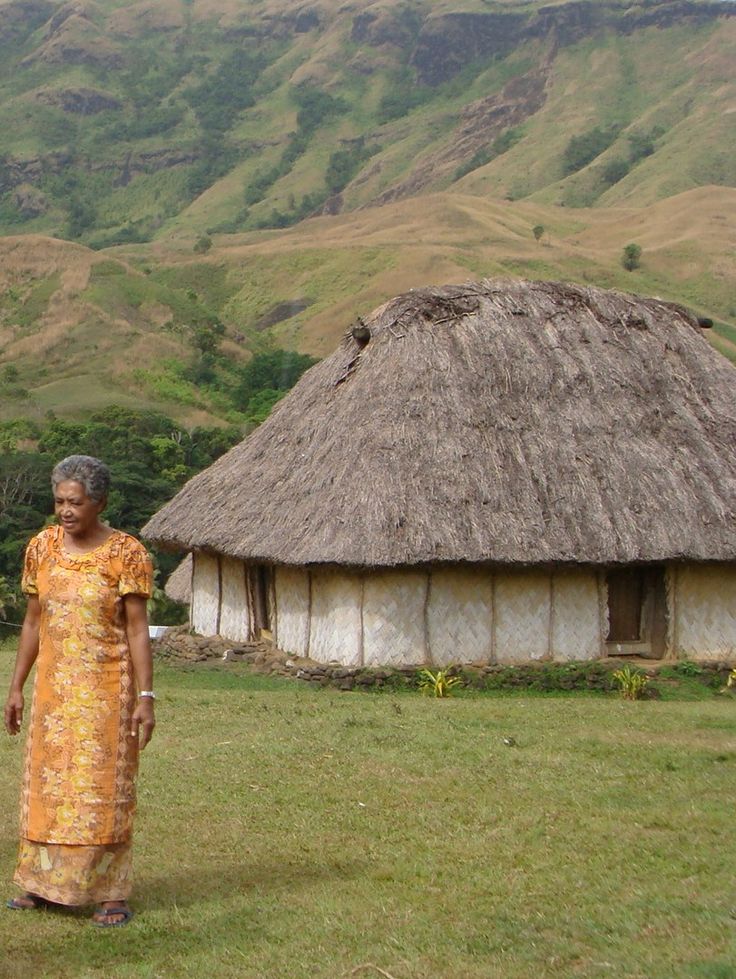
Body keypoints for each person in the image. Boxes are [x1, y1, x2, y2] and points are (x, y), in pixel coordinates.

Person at [3, 455, 155, 927]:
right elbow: (33, 621)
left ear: (100, 503)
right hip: (53, 694)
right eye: (59, 502)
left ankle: (110, 893)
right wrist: (16, 688)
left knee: (99, 790)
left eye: (76, 502)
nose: (65, 511)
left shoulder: (125, 553)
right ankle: (42, 884)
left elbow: (136, 630)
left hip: (108, 691)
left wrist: (145, 698)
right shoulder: (41, 548)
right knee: (49, 787)